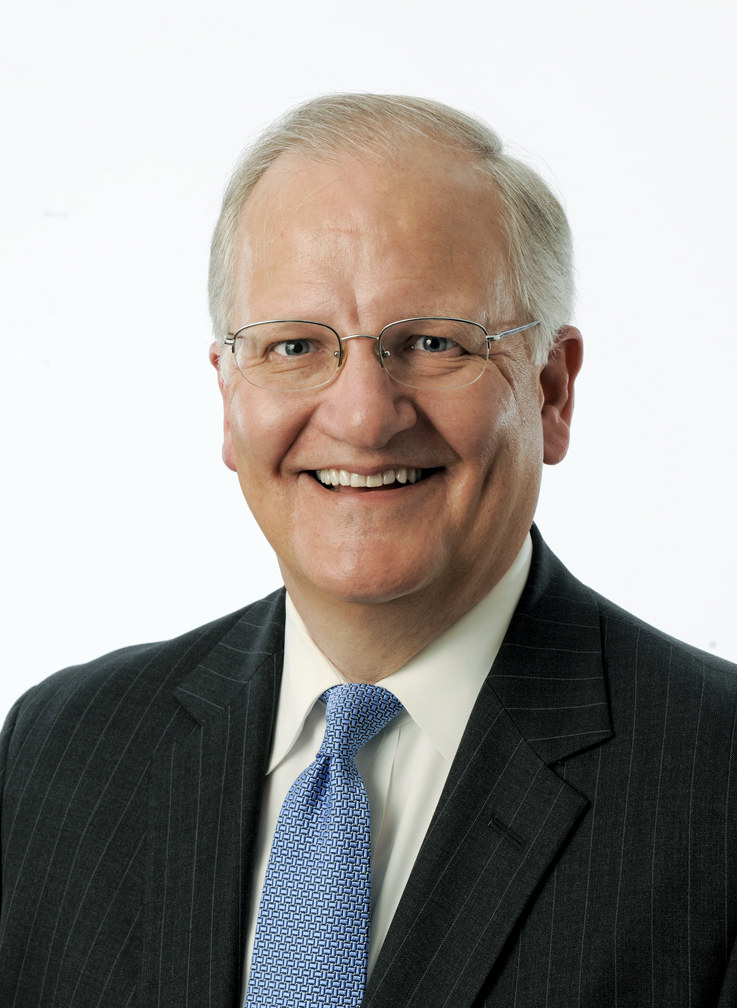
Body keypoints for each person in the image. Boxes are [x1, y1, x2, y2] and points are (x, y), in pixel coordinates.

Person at [1, 93, 736, 1008]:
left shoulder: (717, 786)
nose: (359, 416)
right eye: (295, 346)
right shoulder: (62, 750)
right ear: (229, 397)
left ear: (551, 391)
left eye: (433, 342)